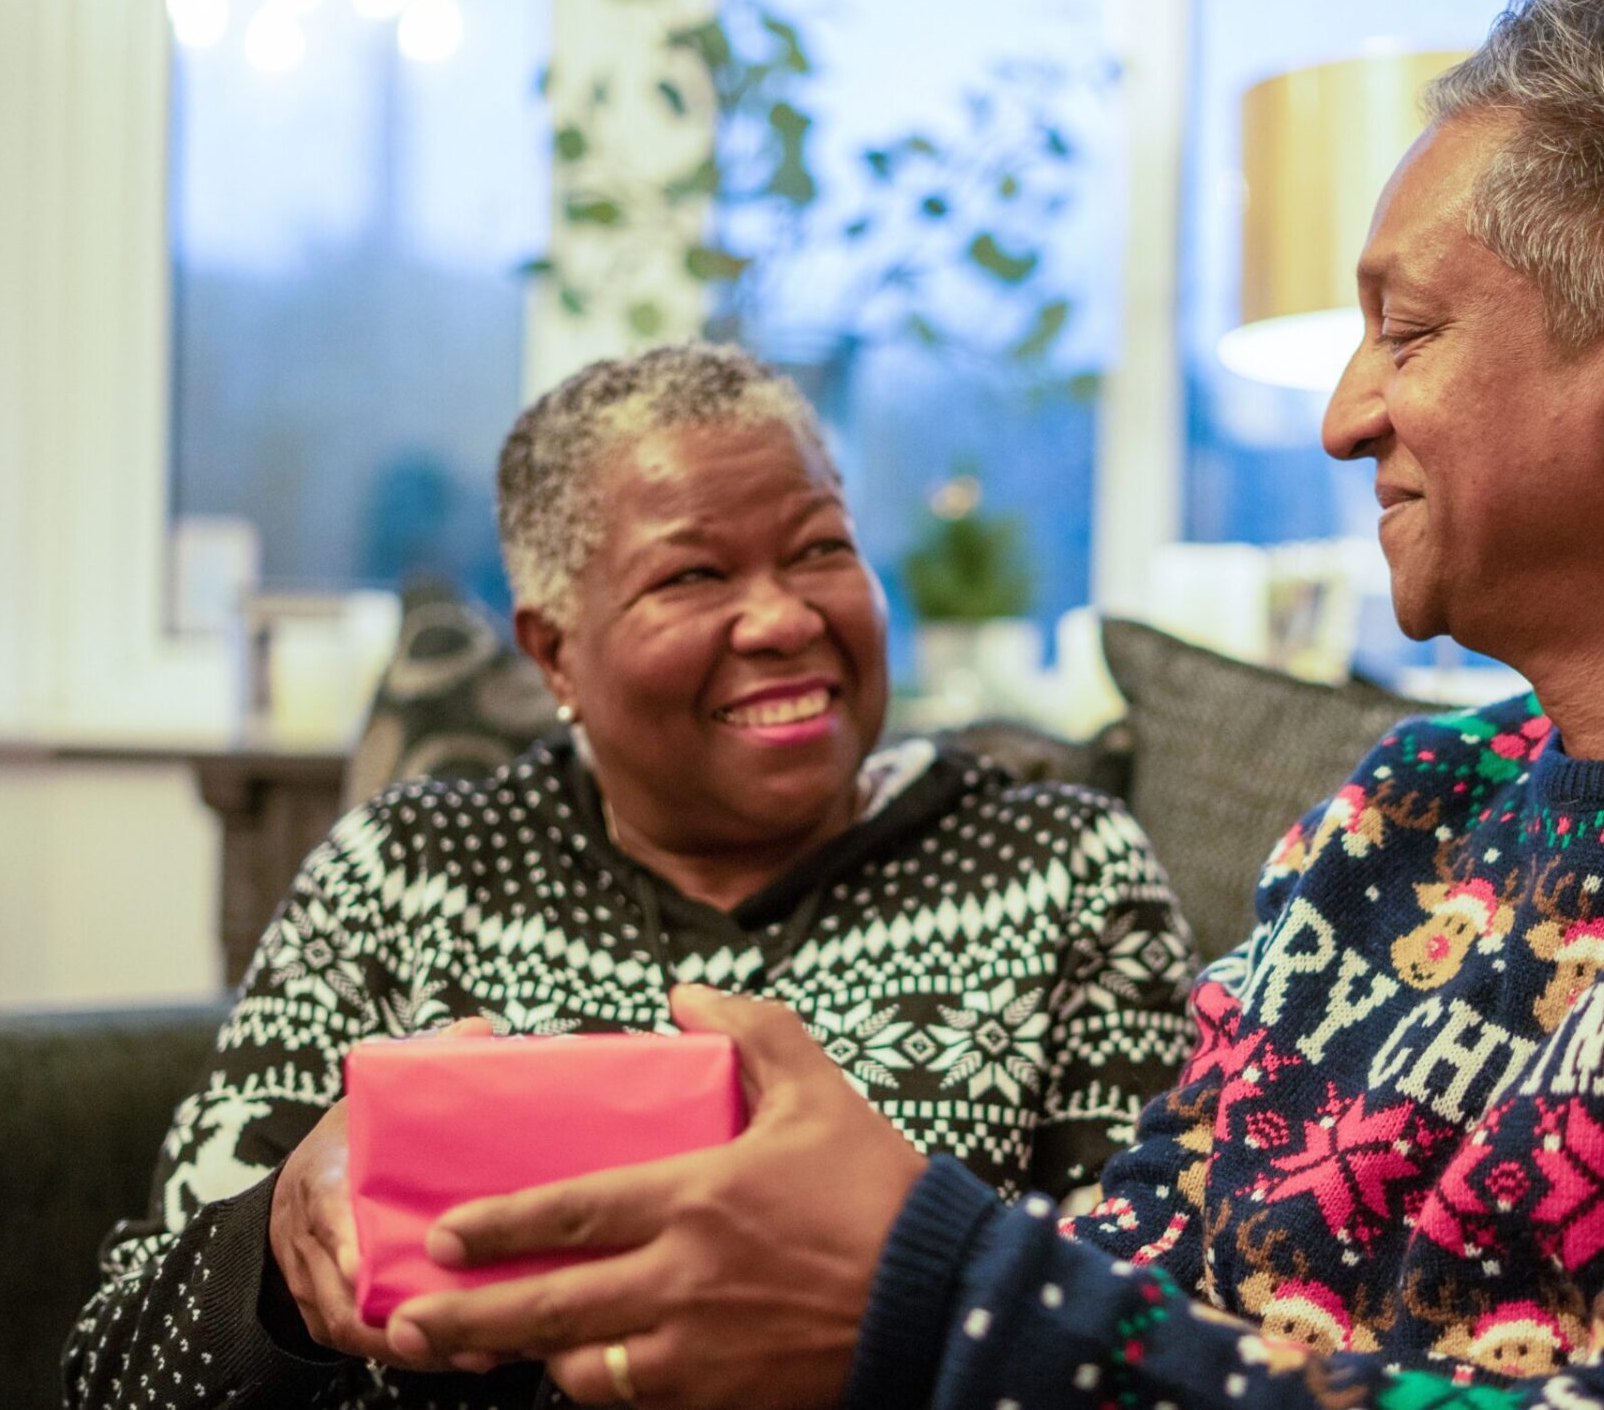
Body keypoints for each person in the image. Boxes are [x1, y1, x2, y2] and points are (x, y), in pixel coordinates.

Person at [370, 0, 1604, 1410]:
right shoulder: (1402, 816)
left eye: (1409, 331)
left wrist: (935, 1294)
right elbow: (1139, 1271)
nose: (1343, 415)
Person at [61, 344, 1194, 1409]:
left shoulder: (1060, 868)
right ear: (554, 650)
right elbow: (114, 1369)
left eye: (820, 549)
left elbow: (1151, 1336)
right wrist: (276, 1248)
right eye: (694, 574)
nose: (784, 617)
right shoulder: (404, 874)